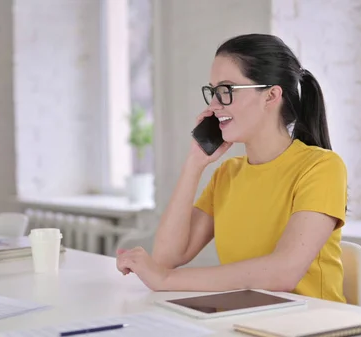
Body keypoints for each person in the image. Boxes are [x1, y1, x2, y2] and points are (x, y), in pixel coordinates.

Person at [116, 33, 348, 303]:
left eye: (226, 91)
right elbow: (167, 257)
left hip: (313, 325)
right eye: (213, 93)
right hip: (247, 320)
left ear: (271, 96)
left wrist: (166, 280)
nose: (214, 106)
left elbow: (283, 273)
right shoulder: (228, 173)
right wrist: (195, 163)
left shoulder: (322, 168)